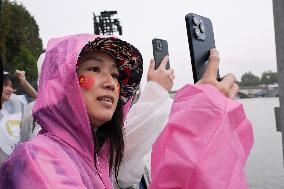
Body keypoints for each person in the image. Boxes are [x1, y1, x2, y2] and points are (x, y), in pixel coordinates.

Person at [0, 70, 37, 166]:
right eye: (5, 85)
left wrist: (23, 81)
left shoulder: (16, 102)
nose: (9, 89)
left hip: (16, 164)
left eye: (11, 86)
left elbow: (38, 99)